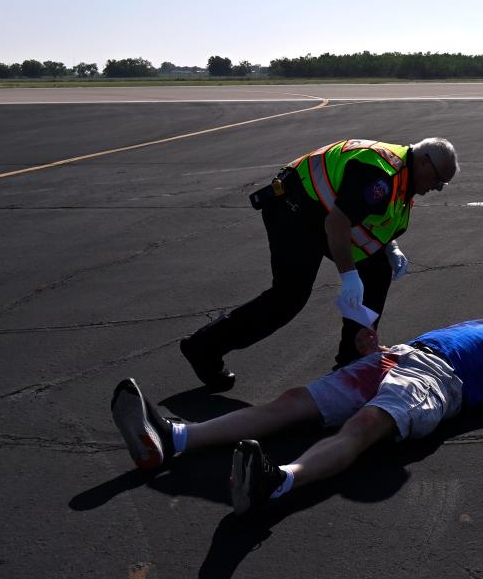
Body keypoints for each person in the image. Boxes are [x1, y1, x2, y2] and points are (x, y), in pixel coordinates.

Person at [112, 281, 483, 516]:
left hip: (439, 380)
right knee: (293, 401)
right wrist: (375, 348)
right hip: (397, 357)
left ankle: (277, 482)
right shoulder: (478, 323)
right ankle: (174, 439)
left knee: (365, 426)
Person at [180, 137, 459, 391]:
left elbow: (368, 217)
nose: (437, 187)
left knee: (376, 272)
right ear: (423, 161)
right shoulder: (381, 175)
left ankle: (351, 363)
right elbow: (337, 222)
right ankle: (203, 348)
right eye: (438, 179)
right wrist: (349, 276)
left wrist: (390, 248)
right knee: (289, 296)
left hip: (319, 213)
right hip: (293, 209)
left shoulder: (402, 179)